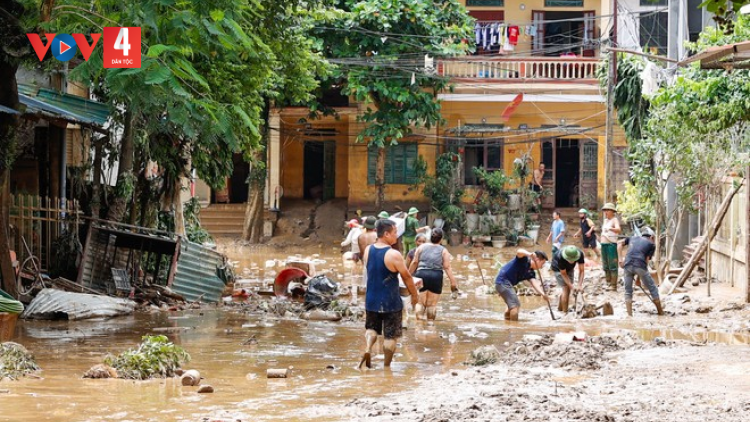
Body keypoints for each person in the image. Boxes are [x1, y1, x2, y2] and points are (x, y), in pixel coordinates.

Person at [359, 219, 418, 369]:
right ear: (386, 234)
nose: (396, 236)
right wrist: (415, 295)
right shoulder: (394, 254)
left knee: (371, 328)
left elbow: (373, 271)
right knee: (390, 336)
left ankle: (367, 349)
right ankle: (386, 367)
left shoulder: (367, 250)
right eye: (395, 232)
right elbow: (407, 277)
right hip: (390, 301)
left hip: (371, 299)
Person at [408, 228, 457, 323]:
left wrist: (408, 277)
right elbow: (447, 267)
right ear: (441, 239)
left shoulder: (421, 247)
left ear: (430, 237)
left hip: (421, 274)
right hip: (436, 276)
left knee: (420, 303)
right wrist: (453, 282)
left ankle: (419, 325)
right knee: (432, 304)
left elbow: (414, 262)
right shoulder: (444, 250)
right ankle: (430, 326)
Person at [618, 227, 663, 316]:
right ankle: (660, 312)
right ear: (651, 237)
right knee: (653, 288)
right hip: (640, 265)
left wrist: (620, 260)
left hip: (627, 265)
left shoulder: (632, 238)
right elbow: (645, 261)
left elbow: (619, 245)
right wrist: (639, 277)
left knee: (628, 291)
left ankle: (630, 315)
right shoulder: (651, 244)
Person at [494, 249, 550, 321]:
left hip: (505, 284)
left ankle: (507, 323)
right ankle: (514, 327)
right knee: (515, 306)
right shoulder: (524, 260)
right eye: (542, 263)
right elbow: (519, 251)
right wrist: (529, 254)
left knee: (510, 307)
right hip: (503, 282)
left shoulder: (531, 272)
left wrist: (543, 294)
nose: (541, 267)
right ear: (537, 260)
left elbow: (534, 283)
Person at [551, 245, 585, 313]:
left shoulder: (580, 254)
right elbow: (563, 273)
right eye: (569, 259)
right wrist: (572, 287)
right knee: (566, 289)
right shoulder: (560, 257)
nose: (572, 261)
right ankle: (565, 313)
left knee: (568, 290)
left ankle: (560, 309)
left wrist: (579, 285)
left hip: (570, 268)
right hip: (558, 269)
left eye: (573, 260)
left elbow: (581, 271)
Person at [600, 203, 622, 291]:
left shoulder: (614, 219)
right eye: (605, 210)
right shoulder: (605, 221)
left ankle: (613, 285)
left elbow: (618, 230)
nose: (606, 212)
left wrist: (610, 229)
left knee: (612, 264)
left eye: (608, 210)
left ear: (612, 211)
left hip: (611, 244)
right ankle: (608, 282)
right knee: (605, 264)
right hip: (603, 244)